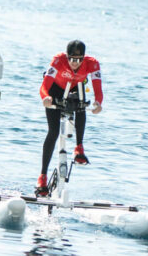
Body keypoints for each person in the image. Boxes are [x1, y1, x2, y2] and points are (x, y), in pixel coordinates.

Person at [35, 40, 104, 196]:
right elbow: (44, 85)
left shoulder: (92, 64)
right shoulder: (58, 60)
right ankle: (42, 177)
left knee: (81, 105)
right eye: (72, 59)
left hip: (75, 89)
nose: (75, 63)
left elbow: (98, 88)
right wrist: (45, 97)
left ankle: (79, 148)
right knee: (53, 132)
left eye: (79, 59)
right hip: (55, 90)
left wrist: (98, 103)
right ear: (67, 57)